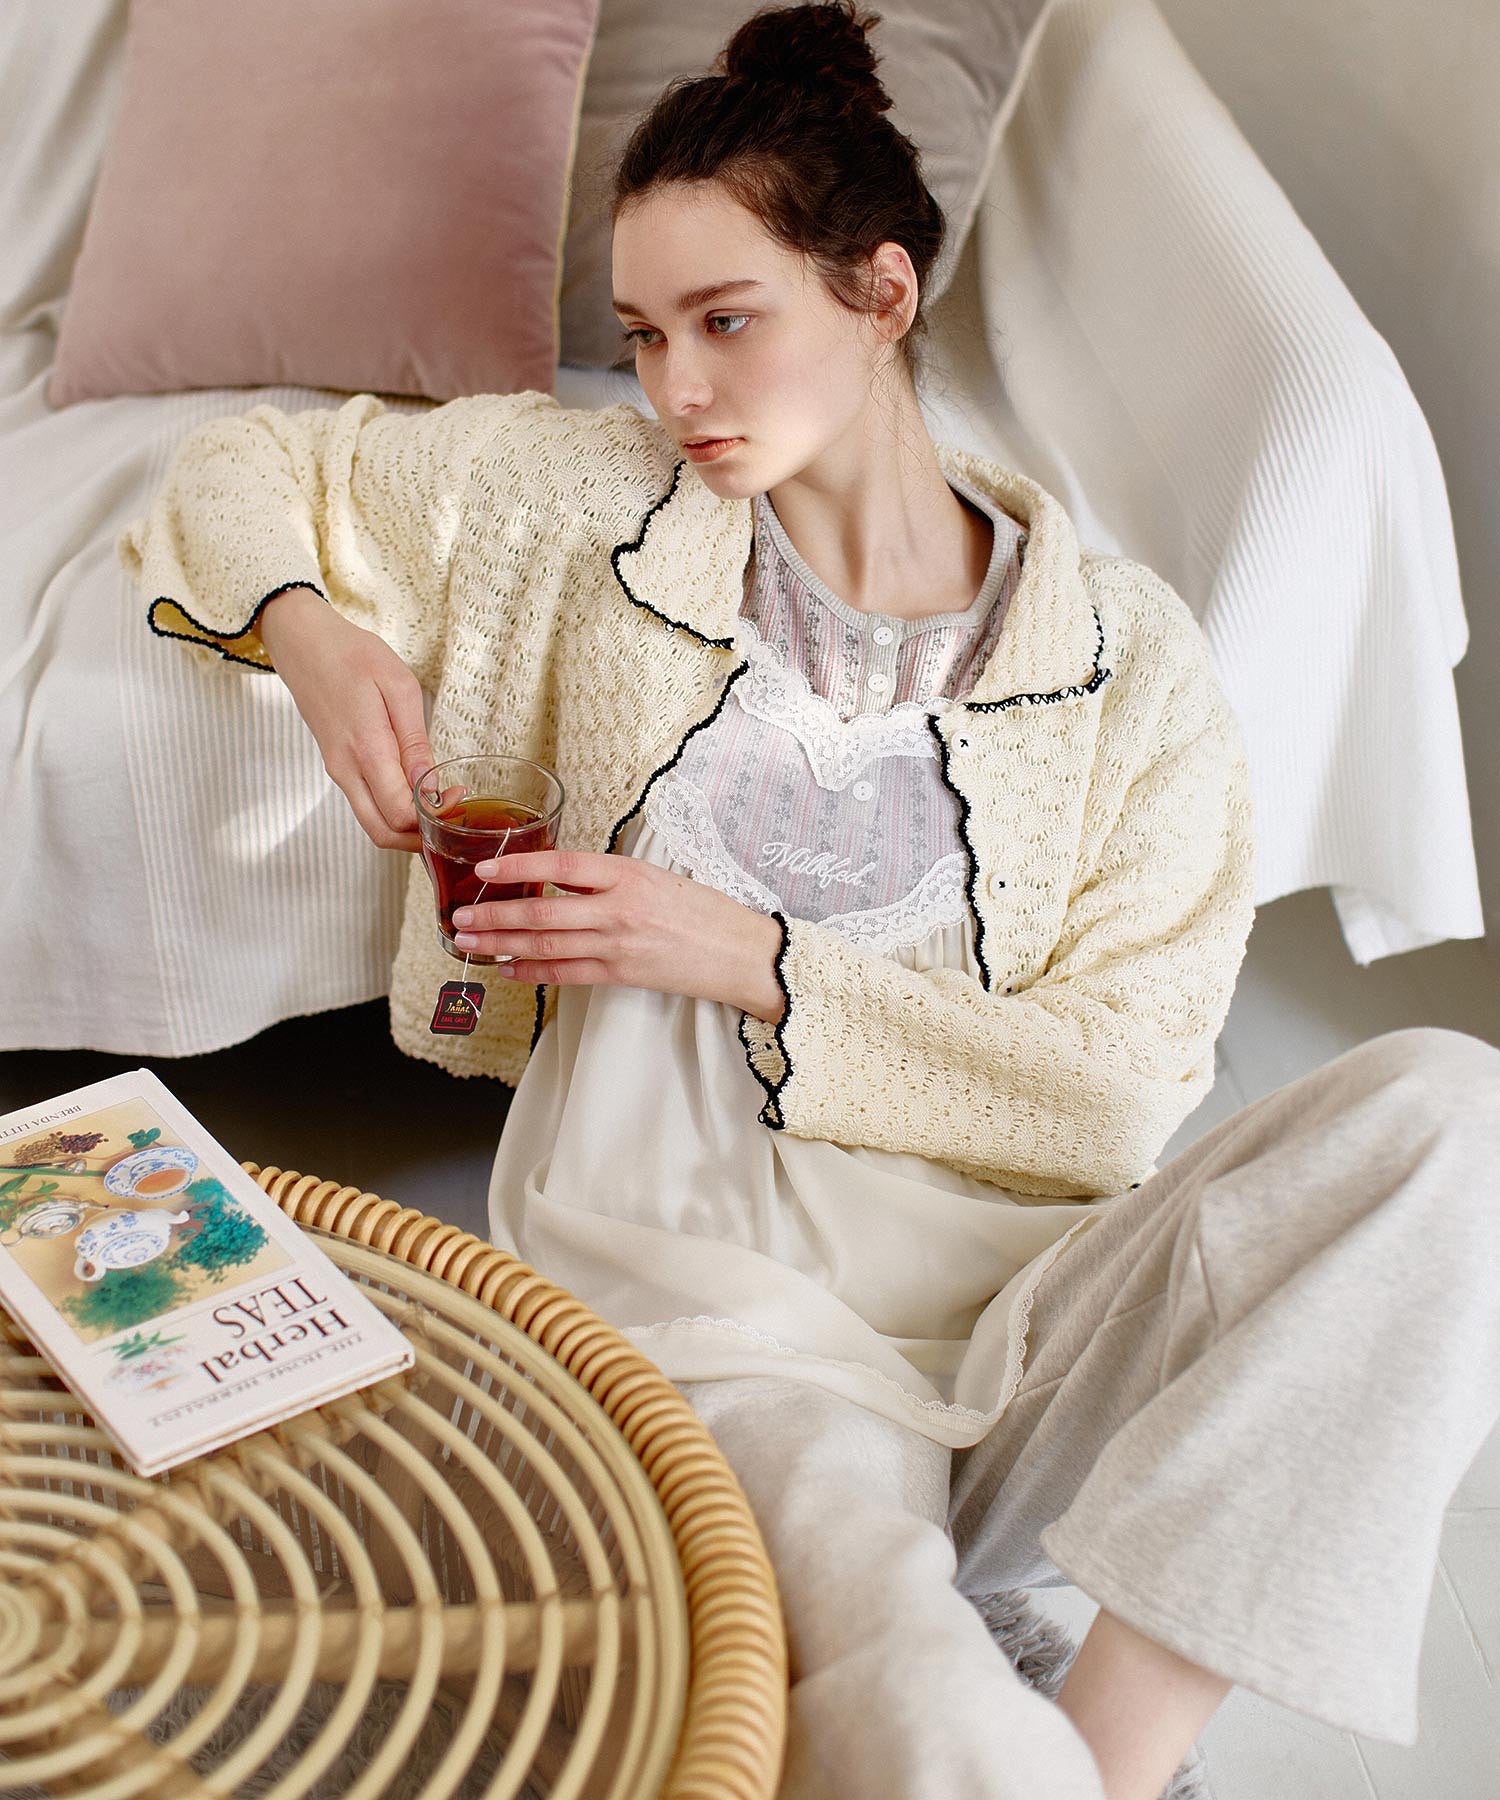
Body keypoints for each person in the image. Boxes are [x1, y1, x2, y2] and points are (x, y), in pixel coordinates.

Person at [120, 4, 1500, 1797]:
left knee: (1456, 1118)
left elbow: (1116, 1096)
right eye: (644, 335)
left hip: (1028, 1312)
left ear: (883, 295)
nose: (674, 391)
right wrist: (311, 637)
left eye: (727, 322)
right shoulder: (587, 511)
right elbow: (238, 466)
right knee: (925, 1718)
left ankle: (1111, 1753)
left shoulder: (1127, 659)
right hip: (724, 1308)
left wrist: (747, 956)